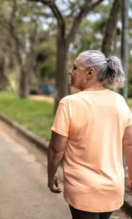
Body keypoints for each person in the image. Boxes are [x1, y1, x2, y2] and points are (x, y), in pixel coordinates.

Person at [47, 50, 132, 219]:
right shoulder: (119, 102)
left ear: (90, 73)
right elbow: (130, 143)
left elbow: (57, 149)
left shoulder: (69, 103)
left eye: (75, 67)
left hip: (82, 188)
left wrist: (51, 176)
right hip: (112, 187)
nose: (70, 71)